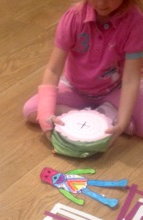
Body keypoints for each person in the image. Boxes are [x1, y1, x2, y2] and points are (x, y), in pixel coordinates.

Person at [23, 0, 143, 144]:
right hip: (74, 89)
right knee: (31, 110)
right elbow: (53, 70)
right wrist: (46, 114)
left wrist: (122, 123)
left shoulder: (135, 22)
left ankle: (102, 115)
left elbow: (131, 79)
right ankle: (99, 116)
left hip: (115, 89)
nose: (101, 3)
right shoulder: (74, 17)